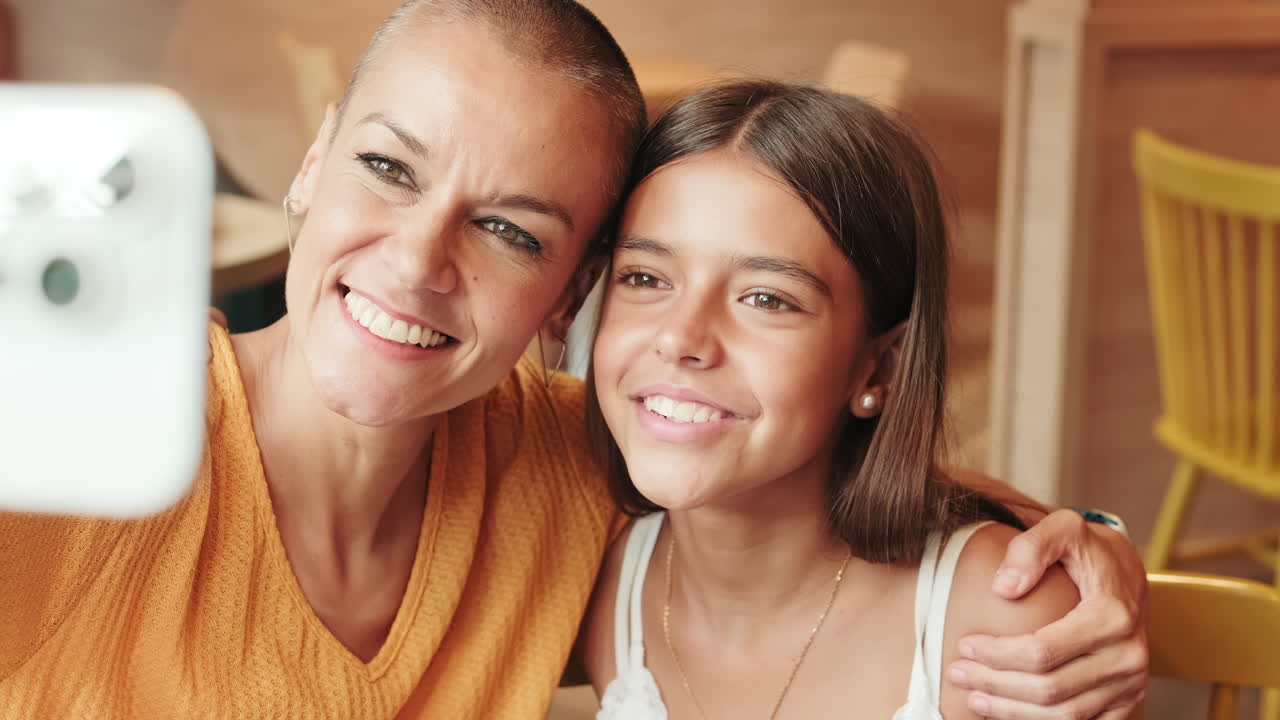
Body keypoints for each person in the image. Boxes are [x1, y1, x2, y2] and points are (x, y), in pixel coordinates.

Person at [0, 2, 1145, 718]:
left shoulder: (561, 468)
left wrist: (1092, 546)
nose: (413, 260)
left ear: (570, 297)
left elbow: (814, 491)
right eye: (388, 170)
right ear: (309, 165)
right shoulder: (78, 442)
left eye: (509, 230)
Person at [579, 79, 1145, 720]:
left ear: (879, 367)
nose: (681, 338)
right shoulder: (604, 588)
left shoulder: (1006, 632)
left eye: (767, 298)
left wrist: (1097, 544)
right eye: (646, 278)